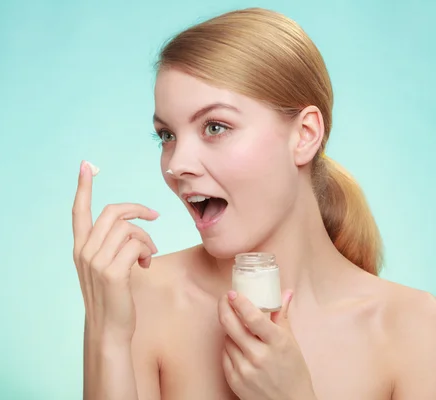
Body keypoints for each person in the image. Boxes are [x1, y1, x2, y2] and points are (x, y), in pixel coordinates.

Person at [71, 7, 436, 400]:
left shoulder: (415, 328)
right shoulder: (140, 298)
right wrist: (107, 337)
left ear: (304, 134)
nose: (176, 165)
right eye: (167, 135)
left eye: (215, 127)